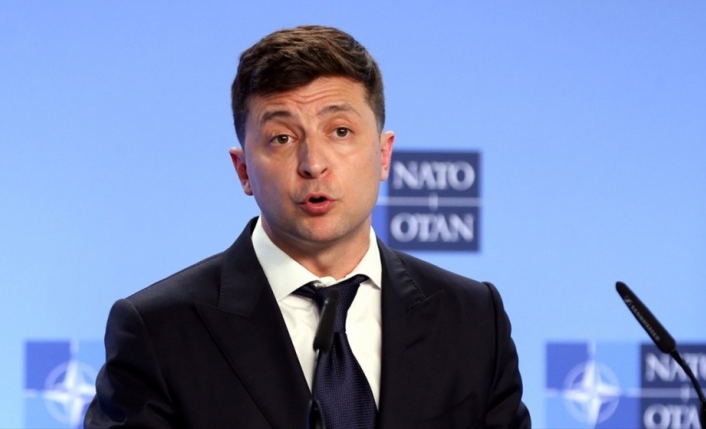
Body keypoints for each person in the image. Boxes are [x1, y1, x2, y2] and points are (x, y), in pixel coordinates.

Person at [85, 25, 531, 429]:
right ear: (243, 170)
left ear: (383, 154)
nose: (313, 163)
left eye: (340, 131)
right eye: (282, 138)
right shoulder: (159, 330)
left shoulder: (473, 319)